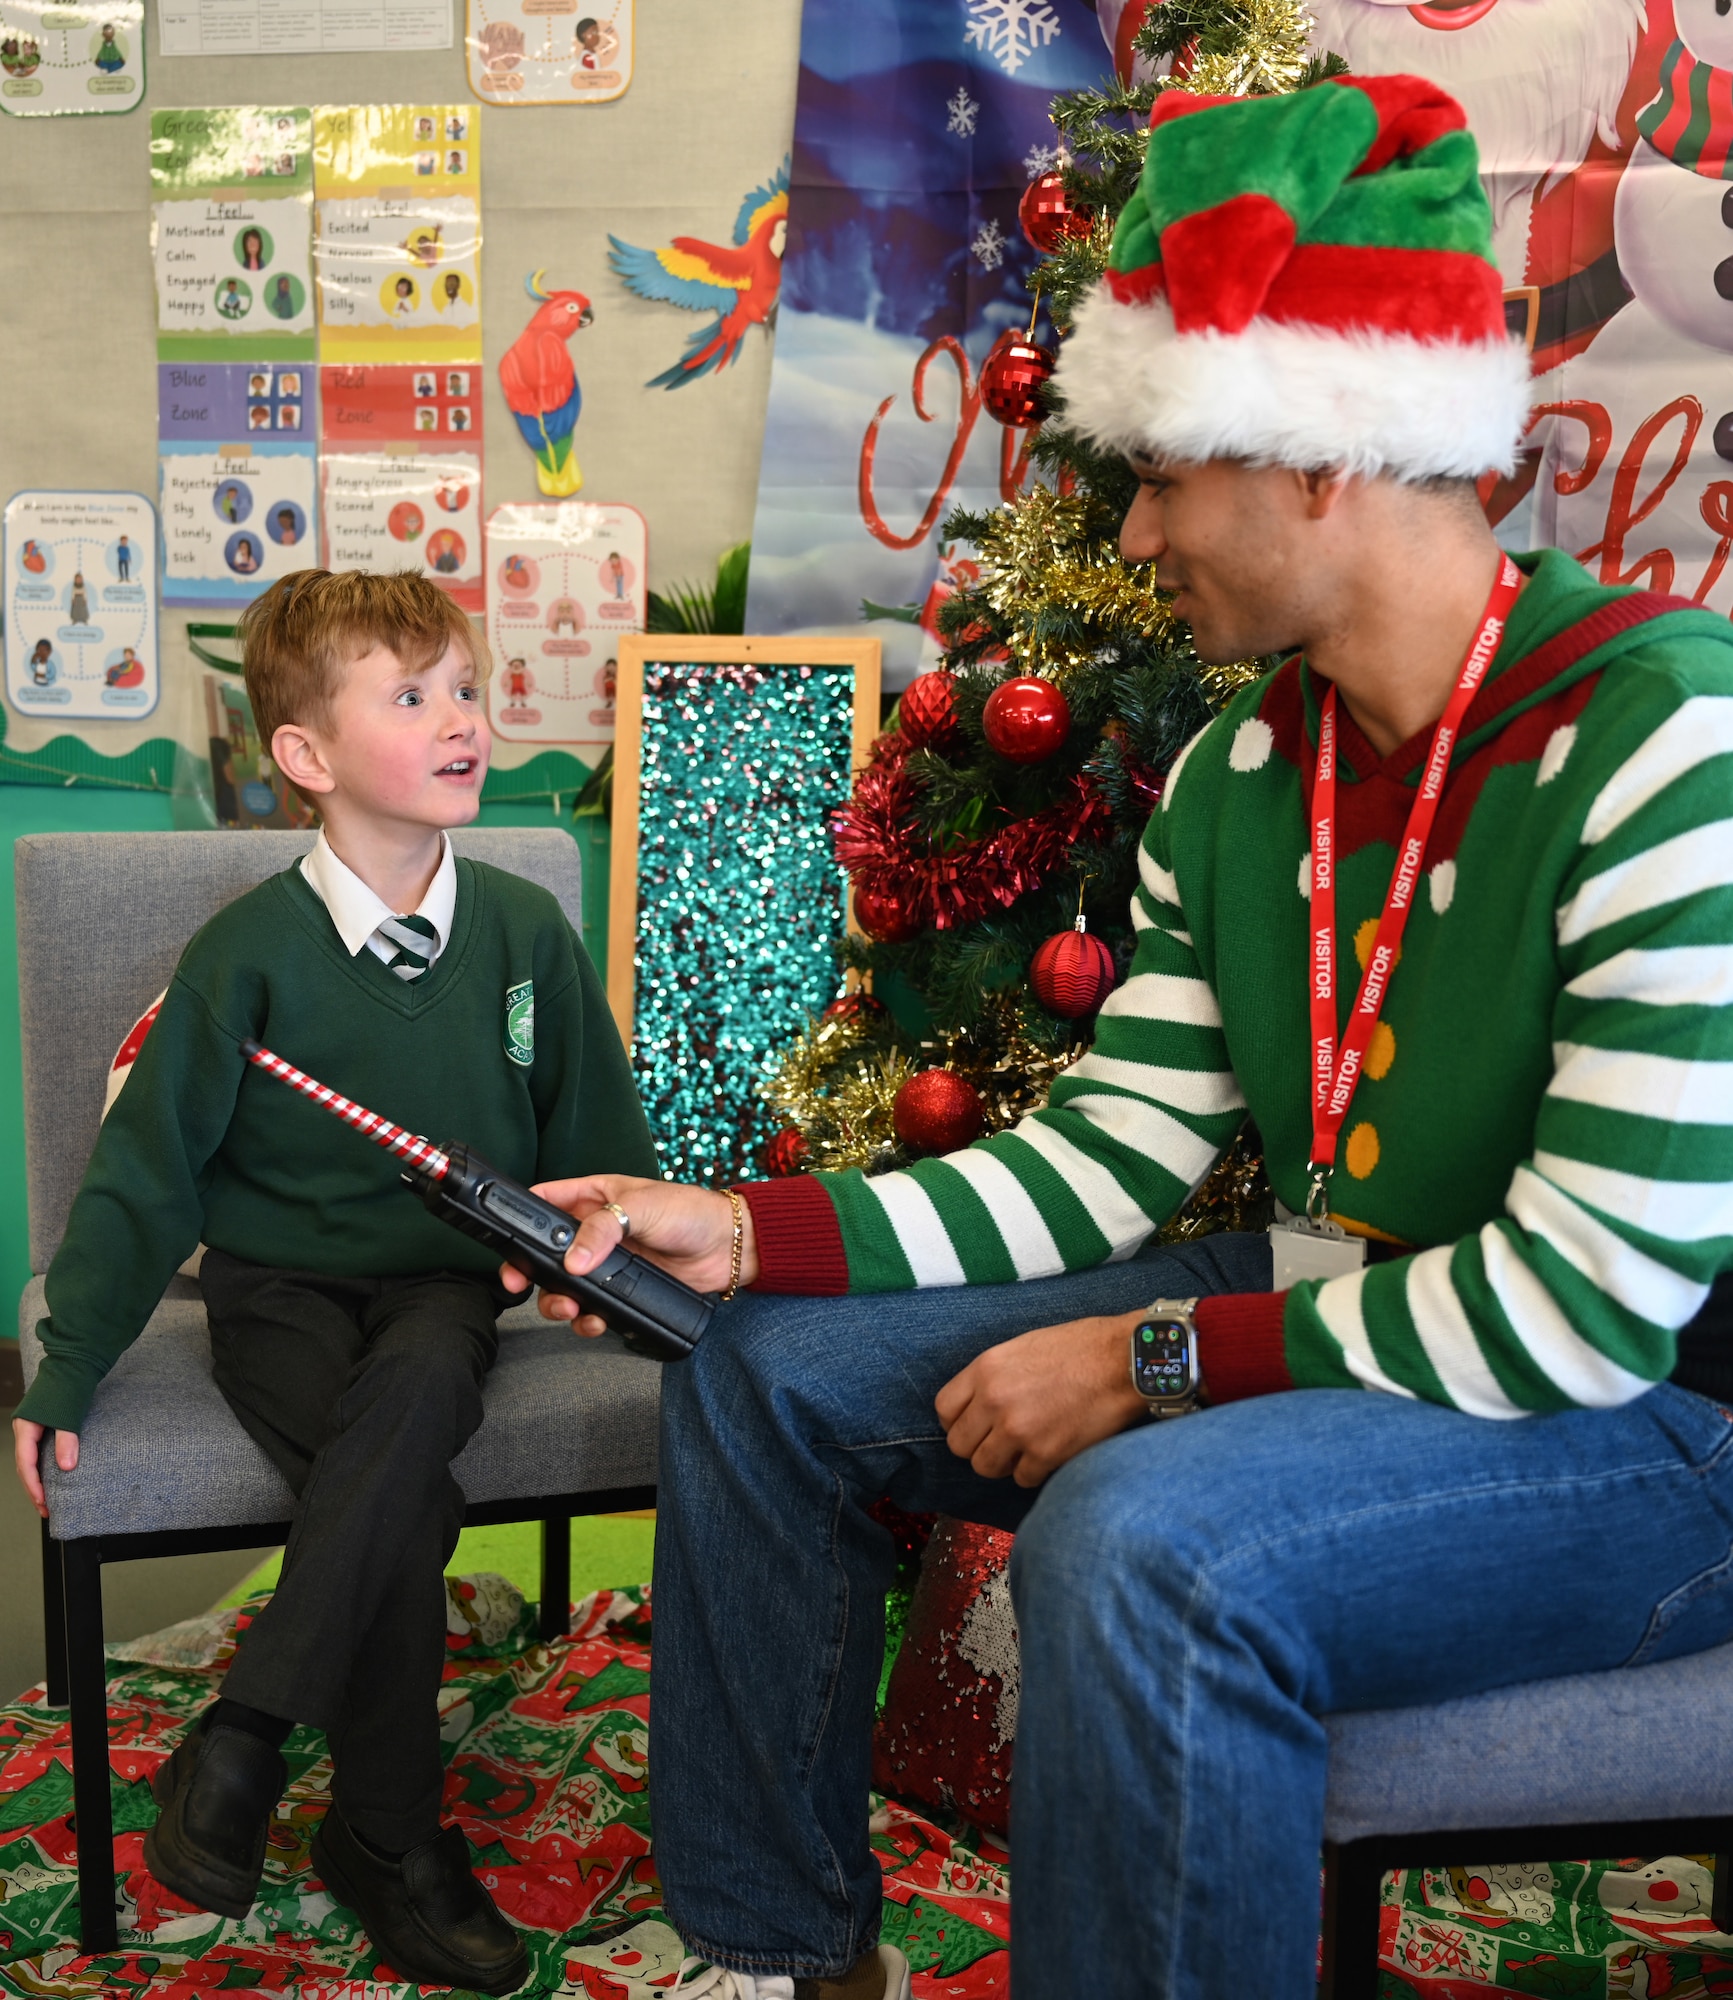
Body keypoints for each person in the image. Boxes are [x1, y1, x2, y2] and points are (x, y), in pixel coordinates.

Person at [510, 78, 1733, 2000]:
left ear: (1318, 461)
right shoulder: (1240, 773)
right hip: (1354, 1300)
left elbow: (1589, 1303)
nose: (1137, 527)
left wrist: (1154, 1361)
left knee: (1146, 1541)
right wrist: (749, 1232)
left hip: (1655, 1418)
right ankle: (780, 1957)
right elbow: (1104, 1159)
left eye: (1162, 475)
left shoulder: (1664, 739)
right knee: (755, 1372)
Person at [12, 569, 658, 1992]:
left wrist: (617, 1266)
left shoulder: (524, 933)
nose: (464, 721)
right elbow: (142, 1181)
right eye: (413, 694)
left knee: (428, 1374)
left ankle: (242, 1735)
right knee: (398, 1502)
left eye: (470, 690)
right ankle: (389, 1842)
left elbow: (602, 1153)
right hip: (274, 1293)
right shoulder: (240, 956)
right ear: (305, 757)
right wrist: (65, 1371)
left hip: (444, 1287)